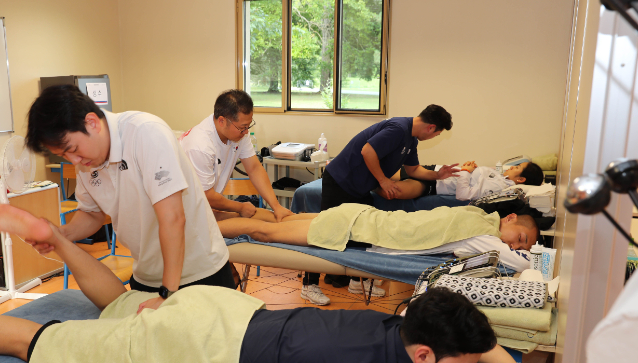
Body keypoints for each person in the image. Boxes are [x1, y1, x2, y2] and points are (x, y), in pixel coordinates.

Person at [0, 204, 551, 363]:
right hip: (199, 344)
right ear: (422, 354)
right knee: (31, 341)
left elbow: (470, 340)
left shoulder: (397, 321)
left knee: (122, 301)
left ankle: (59, 239)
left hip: (226, 311)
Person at [24, 84, 233, 311]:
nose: (73, 160)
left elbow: (172, 218)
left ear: (92, 123)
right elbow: (92, 214)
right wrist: (60, 234)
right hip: (147, 276)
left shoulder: (146, 133)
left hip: (198, 273)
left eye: (72, 149)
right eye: (64, 155)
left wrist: (166, 294)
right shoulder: (86, 162)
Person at [303, 105, 457, 305]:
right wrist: (383, 181)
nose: (434, 137)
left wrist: (437, 175)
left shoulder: (410, 139)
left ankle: (357, 281)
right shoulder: (398, 129)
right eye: (437, 134)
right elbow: (368, 151)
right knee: (325, 231)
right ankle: (309, 285)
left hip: (359, 187)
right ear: (431, 127)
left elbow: (414, 170)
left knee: (364, 231)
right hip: (341, 180)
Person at [217, 204, 539, 272]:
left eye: (523, 245)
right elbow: (519, 264)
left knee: (281, 218)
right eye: (521, 237)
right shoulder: (483, 234)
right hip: (355, 229)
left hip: (359, 216)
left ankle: (212, 219)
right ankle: (204, 230)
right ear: (509, 218)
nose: (517, 246)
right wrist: (536, 256)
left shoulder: (475, 212)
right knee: (263, 232)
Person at [180, 89, 294, 223]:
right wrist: (240, 207)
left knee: (266, 218)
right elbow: (207, 196)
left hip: (207, 208)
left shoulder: (239, 134)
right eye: (242, 127)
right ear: (222, 121)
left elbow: (254, 168)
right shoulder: (200, 146)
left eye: (248, 126)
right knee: (258, 228)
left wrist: (276, 206)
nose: (246, 132)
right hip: (185, 214)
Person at [377, 161, 545, 201]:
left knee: (392, 190)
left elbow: (463, 194)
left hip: (435, 185)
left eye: (516, 167)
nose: (512, 166)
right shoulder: (501, 178)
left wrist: (466, 171)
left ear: (521, 179)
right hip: (436, 170)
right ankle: (362, 180)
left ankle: (364, 188)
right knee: (384, 174)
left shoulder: (498, 188)